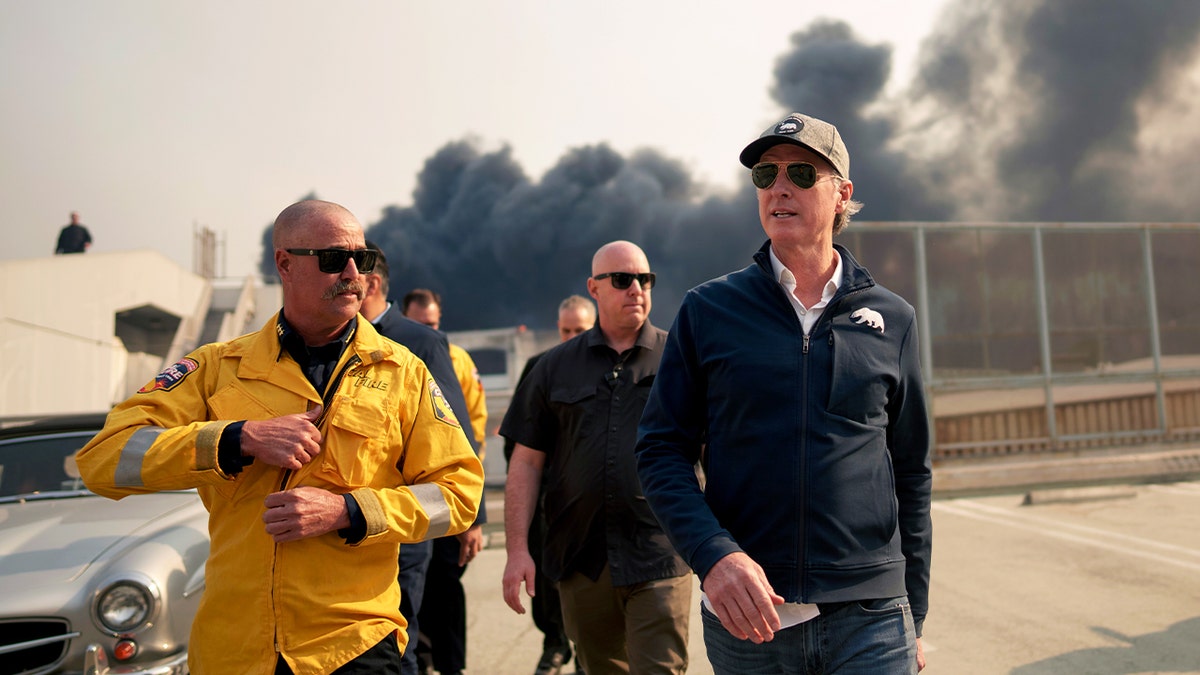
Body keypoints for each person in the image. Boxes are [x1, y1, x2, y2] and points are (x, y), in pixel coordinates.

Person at [75, 199, 484, 675]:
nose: (354, 273)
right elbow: (102, 458)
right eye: (333, 258)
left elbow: (459, 494)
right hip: (236, 649)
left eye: (363, 258)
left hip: (353, 646)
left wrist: (347, 511)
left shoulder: (403, 373)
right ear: (284, 264)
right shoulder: (217, 367)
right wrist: (235, 439)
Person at [635, 112, 932, 674]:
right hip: (749, 622)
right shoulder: (708, 311)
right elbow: (659, 451)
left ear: (841, 194)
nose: (779, 188)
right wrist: (713, 556)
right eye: (765, 176)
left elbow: (911, 471)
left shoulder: (893, 320)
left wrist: (912, 615)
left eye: (800, 172)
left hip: (871, 618)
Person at [501, 241, 692, 675]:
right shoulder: (552, 368)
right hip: (580, 558)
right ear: (594, 288)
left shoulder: (680, 359)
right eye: (623, 280)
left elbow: (715, 454)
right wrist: (516, 551)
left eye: (645, 280)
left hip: (660, 552)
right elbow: (526, 463)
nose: (637, 289)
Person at [359, 241, 486, 675]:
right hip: (349, 521)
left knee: (401, 634)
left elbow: (457, 434)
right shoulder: (331, 342)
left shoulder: (421, 342)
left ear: (371, 282)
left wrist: (473, 515)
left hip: (405, 520)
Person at [502, 294, 596, 675]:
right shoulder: (540, 367)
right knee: (547, 581)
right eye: (566, 330)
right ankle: (555, 642)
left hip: (592, 499)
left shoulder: (609, 369)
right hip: (549, 499)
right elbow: (517, 440)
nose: (572, 337)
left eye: (580, 330)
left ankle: (586, 652)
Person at [400, 288, 486, 675]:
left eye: (434, 324)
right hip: (404, 501)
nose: (430, 332)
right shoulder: (391, 360)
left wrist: (473, 511)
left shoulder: (457, 360)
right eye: (421, 325)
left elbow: (475, 428)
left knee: (446, 586)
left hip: (446, 495)